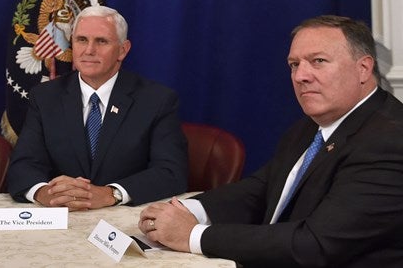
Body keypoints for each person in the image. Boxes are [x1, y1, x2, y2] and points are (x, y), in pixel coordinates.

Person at [138, 15, 403, 267]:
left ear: (363, 68)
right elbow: (262, 189)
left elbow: (314, 244)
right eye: (294, 64)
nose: (301, 76)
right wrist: (186, 209)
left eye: (318, 61)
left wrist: (193, 236)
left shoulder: (389, 141)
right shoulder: (311, 125)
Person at [6, 5, 188, 210]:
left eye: (101, 41)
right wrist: (44, 193)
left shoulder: (156, 100)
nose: (89, 50)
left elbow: (171, 171)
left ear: (122, 50)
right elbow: (23, 165)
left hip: (125, 220)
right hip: (64, 216)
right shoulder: (45, 96)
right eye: (81, 40)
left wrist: (113, 193)